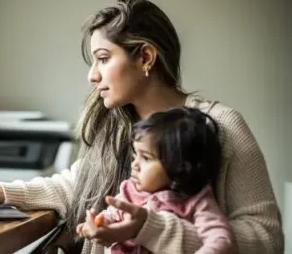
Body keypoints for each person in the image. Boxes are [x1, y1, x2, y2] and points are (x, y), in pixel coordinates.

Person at [0, 0, 284, 254]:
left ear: (146, 57)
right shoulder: (116, 126)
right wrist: (2, 192)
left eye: (104, 59)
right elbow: (74, 186)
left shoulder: (221, 126)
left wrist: (152, 229)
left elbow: (266, 237)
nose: (92, 76)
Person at [76, 106, 236, 254]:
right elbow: (112, 215)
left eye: (145, 158)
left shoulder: (197, 201)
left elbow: (222, 240)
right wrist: (98, 223)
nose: (134, 164)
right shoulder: (131, 191)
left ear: (181, 167)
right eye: (135, 156)